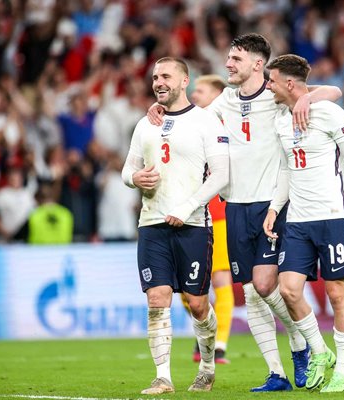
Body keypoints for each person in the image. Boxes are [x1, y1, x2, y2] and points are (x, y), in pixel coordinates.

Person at [148, 33, 342, 391]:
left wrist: (309, 97)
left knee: (268, 284)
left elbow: (334, 93)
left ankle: (304, 345)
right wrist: (161, 111)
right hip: (235, 205)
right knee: (252, 292)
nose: (228, 65)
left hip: (273, 205)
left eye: (235, 59)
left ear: (257, 63)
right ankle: (277, 373)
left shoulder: (276, 96)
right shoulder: (225, 101)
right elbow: (194, 120)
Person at [121, 57, 229, 395]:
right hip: (152, 223)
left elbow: (223, 175)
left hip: (194, 224)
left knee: (198, 304)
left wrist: (188, 206)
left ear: (185, 80)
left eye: (166, 75)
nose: (158, 82)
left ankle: (208, 365)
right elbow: (127, 171)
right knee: (157, 298)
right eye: (155, 77)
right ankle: (163, 377)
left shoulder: (206, 121)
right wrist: (134, 178)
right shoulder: (145, 124)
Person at [263, 54, 344, 393]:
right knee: (289, 289)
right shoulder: (281, 119)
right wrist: (274, 208)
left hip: (333, 218)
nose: (268, 86)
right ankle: (320, 352)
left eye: (272, 80)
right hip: (297, 221)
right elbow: (284, 168)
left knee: (338, 294)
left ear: (289, 84)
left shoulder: (331, 113)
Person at [188, 74, 234, 364]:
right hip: (189, 215)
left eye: (200, 91)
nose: (194, 95)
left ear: (218, 95)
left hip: (218, 216)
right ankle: (204, 331)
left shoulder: (227, 127)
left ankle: (219, 345)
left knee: (220, 279)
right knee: (187, 285)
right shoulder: (187, 124)